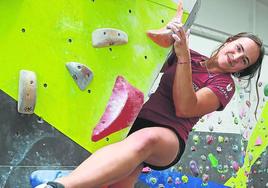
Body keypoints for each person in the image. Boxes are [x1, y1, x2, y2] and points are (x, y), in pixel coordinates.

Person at [37, 4, 265, 188]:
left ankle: (59, 186)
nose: (236, 56)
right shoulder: (190, 55)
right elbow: (148, 55)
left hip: (169, 138)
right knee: (116, 183)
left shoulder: (224, 85)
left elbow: (185, 107)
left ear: (241, 70)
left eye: (244, 60)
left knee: (146, 140)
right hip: (137, 124)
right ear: (229, 41)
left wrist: (182, 55)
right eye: (238, 48)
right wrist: (168, 25)